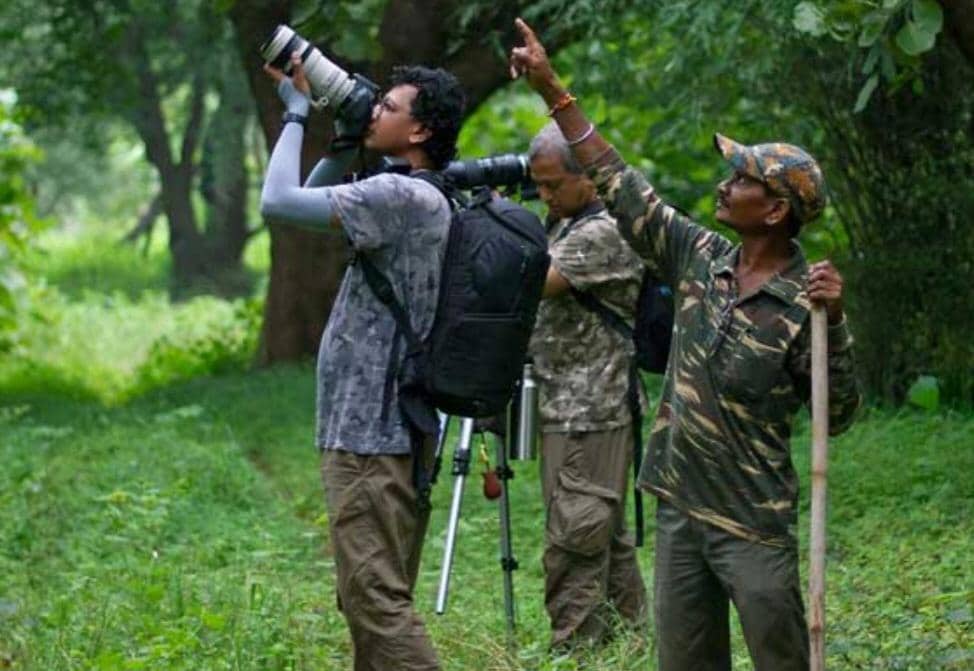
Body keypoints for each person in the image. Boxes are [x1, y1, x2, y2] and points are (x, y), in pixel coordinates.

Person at [510, 19, 862, 671]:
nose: (725, 186)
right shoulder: (699, 256)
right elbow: (619, 184)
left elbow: (836, 414)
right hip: (679, 507)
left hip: (753, 523)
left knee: (781, 659)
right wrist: (554, 91)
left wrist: (834, 322)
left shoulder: (803, 306)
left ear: (776, 210)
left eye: (742, 179)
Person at [260, 52, 465, 671]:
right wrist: (345, 139)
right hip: (390, 428)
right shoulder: (424, 195)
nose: (374, 111)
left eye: (388, 108)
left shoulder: (398, 195)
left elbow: (277, 203)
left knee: (375, 601)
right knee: (369, 596)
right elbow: (305, 202)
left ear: (419, 130)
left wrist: (297, 116)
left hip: (370, 435)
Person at [526, 122, 648, 650]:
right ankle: (630, 644)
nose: (544, 196)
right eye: (537, 185)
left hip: (590, 409)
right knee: (602, 534)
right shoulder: (566, 224)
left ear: (590, 180)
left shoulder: (604, 232)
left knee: (576, 536)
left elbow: (531, 281)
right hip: (571, 404)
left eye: (553, 185)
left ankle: (575, 651)